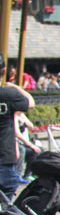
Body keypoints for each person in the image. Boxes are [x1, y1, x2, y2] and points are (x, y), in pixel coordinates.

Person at [0, 59, 33, 196]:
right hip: (4, 159)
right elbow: (30, 103)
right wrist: (15, 87)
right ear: (3, 71)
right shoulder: (8, 95)